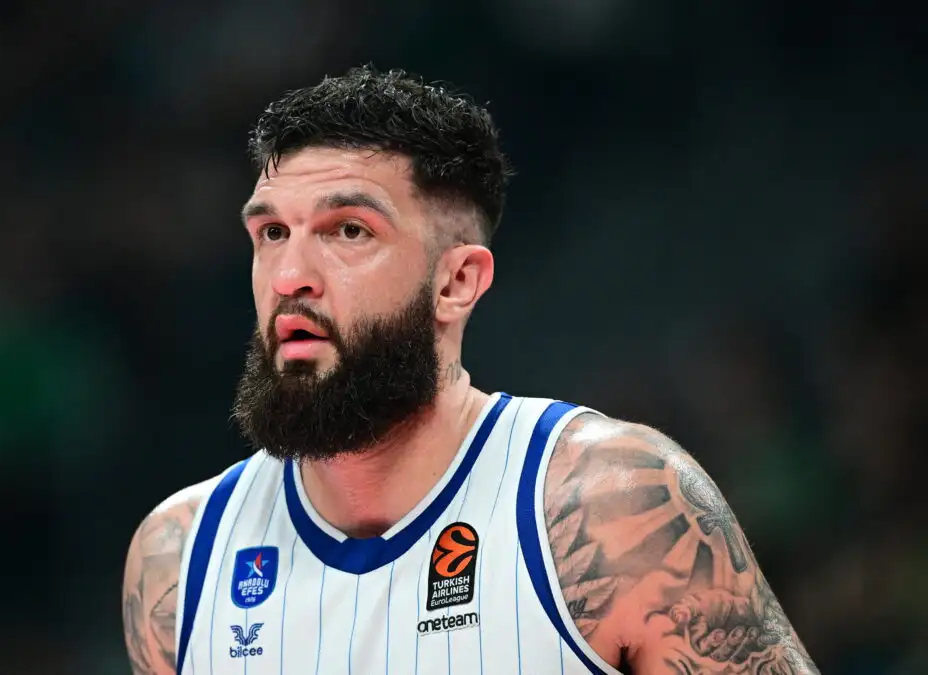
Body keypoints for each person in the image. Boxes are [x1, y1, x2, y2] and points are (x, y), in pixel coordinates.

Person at [121, 66, 819, 675]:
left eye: (349, 231)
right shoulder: (178, 561)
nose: (289, 276)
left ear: (456, 282)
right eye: (272, 233)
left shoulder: (611, 509)